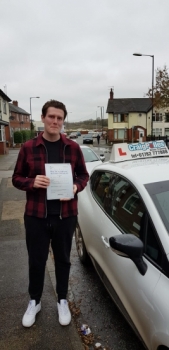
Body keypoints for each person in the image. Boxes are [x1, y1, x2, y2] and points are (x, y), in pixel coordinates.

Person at [12, 99, 89, 328]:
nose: (55, 121)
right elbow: (16, 178)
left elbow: (84, 176)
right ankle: (34, 301)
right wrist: (32, 182)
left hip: (66, 216)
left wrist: (75, 187)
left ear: (63, 121)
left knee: (64, 260)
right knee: (36, 261)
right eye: (51, 117)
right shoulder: (28, 148)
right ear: (43, 118)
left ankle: (62, 300)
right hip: (36, 216)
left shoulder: (73, 148)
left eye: (59, 118)